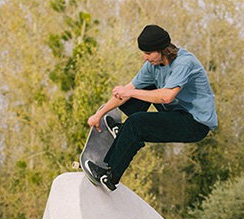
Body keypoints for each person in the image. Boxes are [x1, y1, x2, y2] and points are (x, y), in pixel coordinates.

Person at [85, 24, 217, 190]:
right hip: (175, 112)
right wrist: (100, 114)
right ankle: (122, 129)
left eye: (148, 53)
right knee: (143, 89)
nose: (145, 58)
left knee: (137, 123)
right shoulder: (152, 66)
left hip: (195, 123)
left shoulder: (184, 63)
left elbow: (166, 96)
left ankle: (109, 176)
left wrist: (130, 93)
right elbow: (128, 90)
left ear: (162, 49)